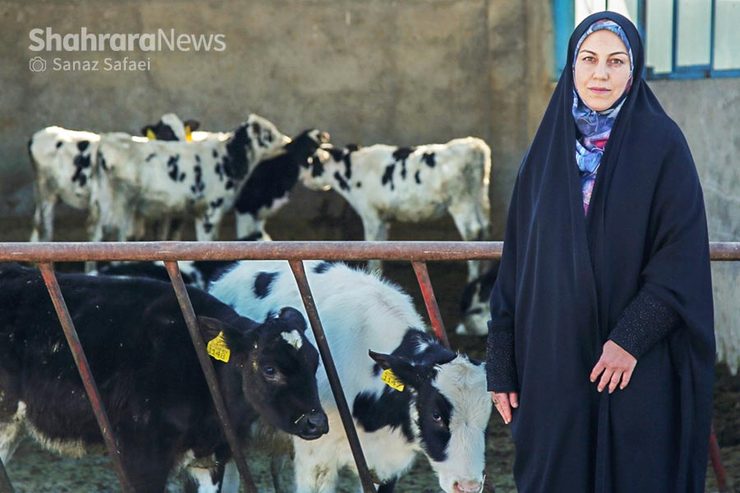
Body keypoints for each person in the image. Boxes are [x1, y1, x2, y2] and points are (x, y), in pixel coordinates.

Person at [486, 11, 715, 493]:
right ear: (572, 66)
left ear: (633, 71)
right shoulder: (545, 152)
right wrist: (502, 361)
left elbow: (680, 254)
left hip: (636, 367)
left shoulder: (662, 146)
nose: (600, 74)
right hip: (551, 363)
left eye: (616, 61)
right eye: (588, 59)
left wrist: (630, 339)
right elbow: (516, 267)